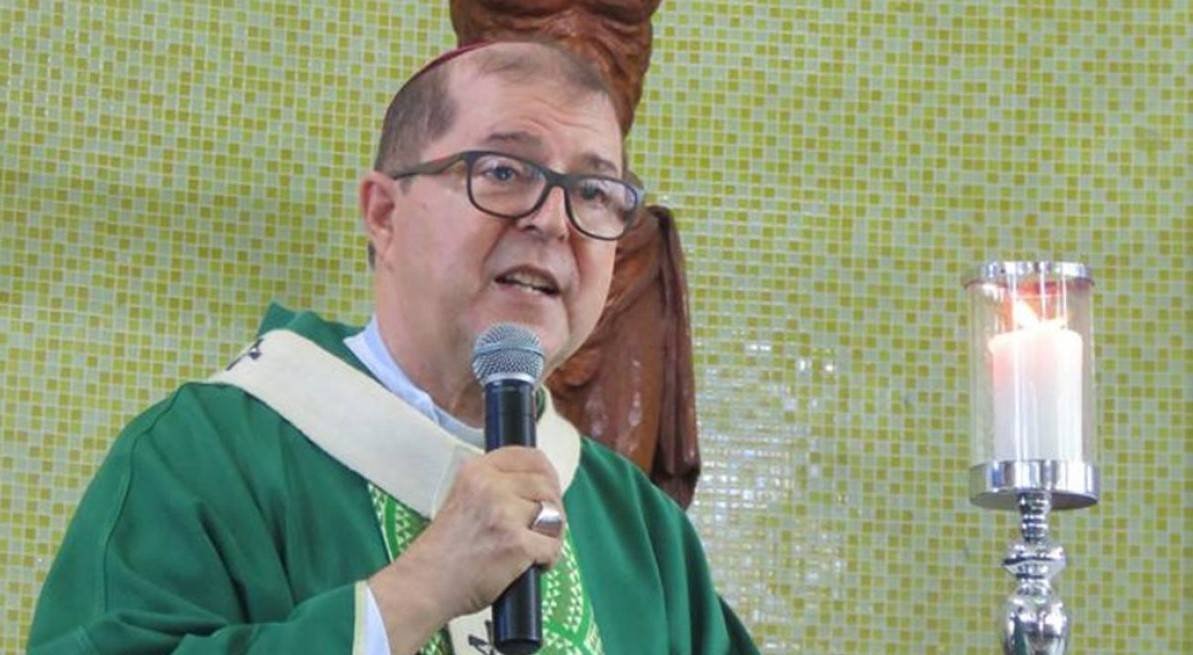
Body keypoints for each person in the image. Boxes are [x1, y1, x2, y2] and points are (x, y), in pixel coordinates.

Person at [28, 40, 758, 654]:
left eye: (594, 192)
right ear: (384, 214)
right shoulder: (201, 455)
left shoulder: (638, 525)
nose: (553, 221)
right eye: (504, 172)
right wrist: (415, 593)